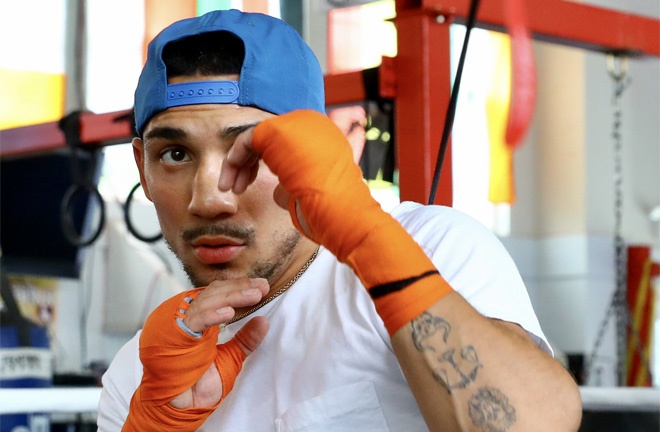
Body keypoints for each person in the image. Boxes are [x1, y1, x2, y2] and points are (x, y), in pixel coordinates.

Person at [97, 9, 581, 432]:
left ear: (312, 150)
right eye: (176, 153)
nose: (210, 199)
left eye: (248, 150)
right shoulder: (138, 374)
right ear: (142, 166)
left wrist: (371, 242)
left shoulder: (433, 246)